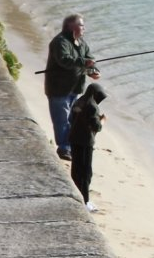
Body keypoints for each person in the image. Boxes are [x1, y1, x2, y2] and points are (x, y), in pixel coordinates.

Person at [44, 13, 99, 160]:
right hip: (58, 89)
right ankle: (64, 148)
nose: (84, 28)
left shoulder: (81, 43)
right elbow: (64, 60)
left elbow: (89, 60)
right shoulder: (59, 42)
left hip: (74, 89)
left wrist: (93, 71)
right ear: (71, 26)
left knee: (72, 119)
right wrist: (84, 62)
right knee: (61, 120)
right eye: (81, 25)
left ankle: (70, 146)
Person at [68, 83, 107, 212]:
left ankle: (76, 195)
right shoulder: (92, 106)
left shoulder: (80, 101)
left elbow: (72, 118)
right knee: (85, 173)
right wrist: (102, 120)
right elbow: (96, 127)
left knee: (76, 170)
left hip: (74, 139)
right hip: (85, 142)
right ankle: (85, 201)